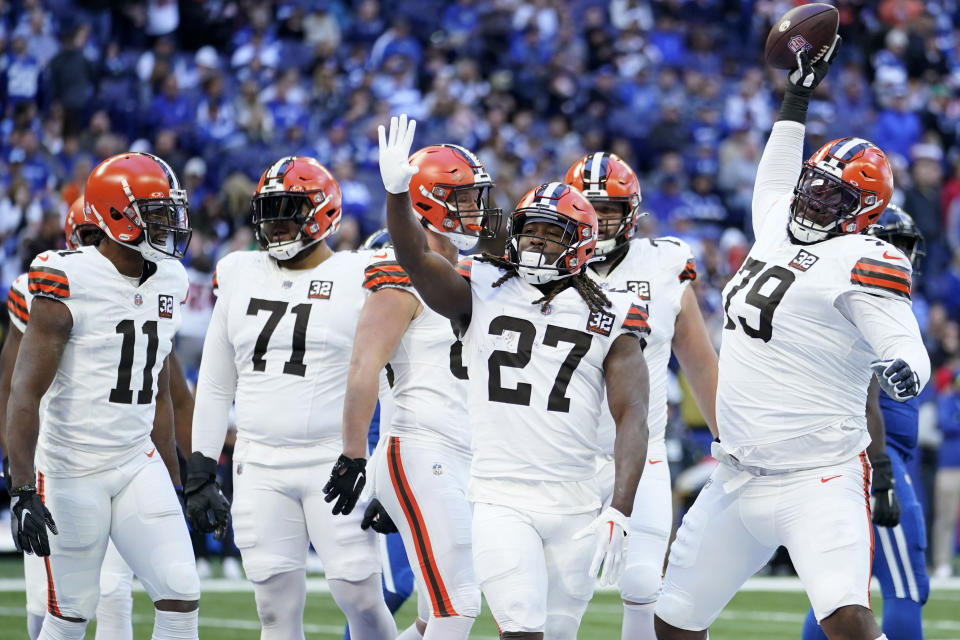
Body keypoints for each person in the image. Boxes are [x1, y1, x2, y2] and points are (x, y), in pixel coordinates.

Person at [654, 39, 930, 640]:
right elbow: (778, 171)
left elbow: (901, 337)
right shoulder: (778, 226)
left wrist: (906, 366)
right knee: (673, 622)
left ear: (863, 211)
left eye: (833, 194)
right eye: (815, 182)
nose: (812, 196)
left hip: (820, 476)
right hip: (737, 473)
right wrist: (797, 95)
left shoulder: (863, 257)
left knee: (848, 621)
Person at [377, 114, 651, 639]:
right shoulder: (483, 286)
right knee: (521, 629)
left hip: (577, 499)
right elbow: (415, 262)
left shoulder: (612, 308)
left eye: (554, 234)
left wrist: (621, 506)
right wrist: (395, 196)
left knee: (559, 632)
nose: (539, 244)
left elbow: (631, 414)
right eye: (532, 232)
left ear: (581, 242)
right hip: (501, 496)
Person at [187, 156, 396, 640]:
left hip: (335, 459)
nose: (276, 223)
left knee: (361, 597)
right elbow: (218, 383)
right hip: (258, 460)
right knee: (274, 611)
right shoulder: (238, 271)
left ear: (322, 212)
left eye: (288, 210)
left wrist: (383, 467)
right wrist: (200, 468)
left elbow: (392, 380)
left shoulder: (361, 273)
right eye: (270, 210)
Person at [5, 152, 200, 640]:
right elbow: (24, 391)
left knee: (181, 595)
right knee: (71, 615)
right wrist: (22, 487)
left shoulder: (172, 279)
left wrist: (185, 479)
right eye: (156, 212)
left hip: (136, 460)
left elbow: (158, 391)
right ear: (116, 215)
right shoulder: (66, 278)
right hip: (72, 467)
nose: (169, 222)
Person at [326, 144, 500, 639]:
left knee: (432, 616)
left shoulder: (476, 271)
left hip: (464, 452)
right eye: (463, 199)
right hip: (420, 447)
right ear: (427, 202)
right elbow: (363, 367)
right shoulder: (398, 273)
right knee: (458, 605)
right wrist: (353, 456)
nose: (477, 210)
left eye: (477, 197)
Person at [564, 152, 719, 640]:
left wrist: (728, 441)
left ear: (632, 212)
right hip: (559, 454)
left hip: (641, 451)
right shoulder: (542, 261)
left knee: (644, 585)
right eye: (590, 208)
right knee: (557, 596)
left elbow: (697, 358)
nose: (599, 220)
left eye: (609, 209)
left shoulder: (663, 263)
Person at [800, 208, 929, 640]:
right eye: (900, 245)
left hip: (861, 456)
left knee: (838, 595)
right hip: (875, 457)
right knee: (904, 588)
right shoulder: (865, 295)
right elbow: (867, 394)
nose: (908, 257)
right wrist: (885, 472)